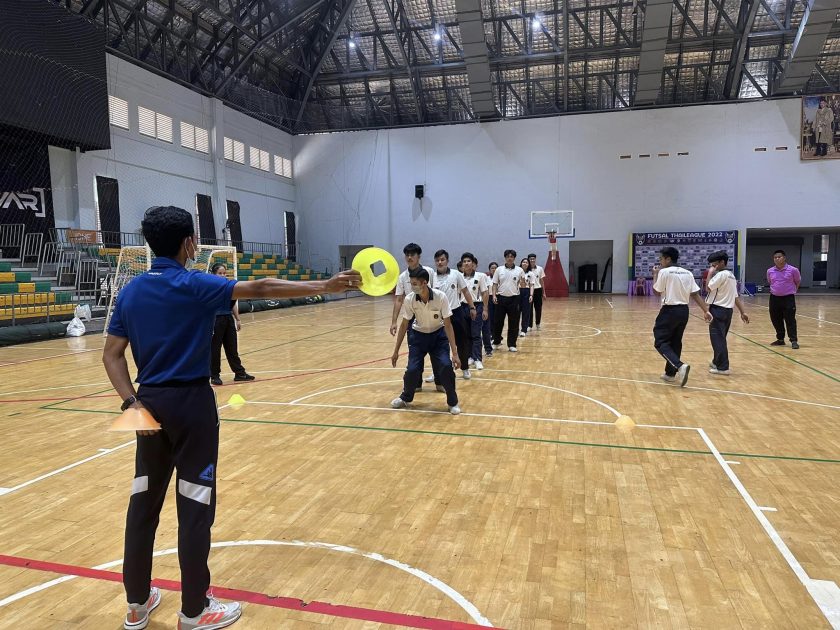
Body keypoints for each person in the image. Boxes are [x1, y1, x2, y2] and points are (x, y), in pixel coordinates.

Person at [102, 206, 360, 630]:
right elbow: (260, 286)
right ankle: (194, 610)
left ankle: (136, 603)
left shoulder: (130, 292)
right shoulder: (196, 283)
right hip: (192, 406)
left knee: (142, 501)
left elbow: (111, 355)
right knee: (194, 506)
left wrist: (131, 403)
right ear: (189, 243)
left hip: (147, 405)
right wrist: (325, 285)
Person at [390, 267, 461, 414]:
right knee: (412, 370)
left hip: (438, 337)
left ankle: (452, 402)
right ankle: (405, 397)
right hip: (418, 337)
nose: (412, 286)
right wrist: (395, 351)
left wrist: (455, 353)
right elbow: (404, 324)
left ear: (424, 283)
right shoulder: (409, 299)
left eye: (415, 283)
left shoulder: (441, 297)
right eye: (411, 283)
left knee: (446, 366)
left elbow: (448, 325)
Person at [651, 246, 712, 387]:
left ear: (668, 259)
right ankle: (670, 374)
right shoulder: (688, 273)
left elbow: (656, 292)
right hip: (684, 311)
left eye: (661, 259)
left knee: (660, 341)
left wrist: (655, 274)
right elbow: (695, 294)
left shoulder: (664, 272)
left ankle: (679, 366)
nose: (660, 262)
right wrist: (706, 310)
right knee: (675, 342)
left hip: (669, 311)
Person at [391, 243, 435, 389]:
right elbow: (399, 299)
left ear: (418, 256)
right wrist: (394, 321)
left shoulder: (429, 271)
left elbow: (436, 293)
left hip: (430, 315)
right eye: (407, 255)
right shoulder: (402, 277)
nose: (409, 257)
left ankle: (439, 378)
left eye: (412, 255)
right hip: (411, 317)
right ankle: (416, 382)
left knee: (435, 348)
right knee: (415, 350)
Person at [432, 249, 476, 379]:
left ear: (447, 261)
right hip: (439, 315)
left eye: (442, 259)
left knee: (462, 342)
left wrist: (472, 307)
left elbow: (466, 291)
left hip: (455, 312)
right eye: (437, 260)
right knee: (439, 344)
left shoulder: (456, 274)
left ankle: (465, 368)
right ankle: (438, 372)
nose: (440, 262)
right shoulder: (432, 277)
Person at [705, 251, 750, 375]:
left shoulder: (720, 275)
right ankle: (716, 361)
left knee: (717, 340)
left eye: (714, 264)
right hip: (728, 311)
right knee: (720, 338)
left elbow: (708, 288)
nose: (713, 267)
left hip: (717, 310)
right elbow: (735, 296)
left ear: (722, 262)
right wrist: (743, 312)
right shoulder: (731, 276)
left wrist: (709, 273)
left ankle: (723, 367)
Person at [209, 263, 254, 386]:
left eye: (224, 273)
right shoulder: (210, 288)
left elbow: (233, 304)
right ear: (213, 274)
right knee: (215, 349)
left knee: (232, 348)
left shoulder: (229, 287)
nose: (223, 275)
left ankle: (239, 373)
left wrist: (237, 319)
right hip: (215, 320)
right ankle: (214, 375)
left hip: (228, 319)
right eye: (220, 273)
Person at [460, 252, 489, 370]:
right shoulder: (459, 276)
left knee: (476, 334)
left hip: (477, 306)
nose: (466, 263)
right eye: (464, 261)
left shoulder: (480, 276)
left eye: (469, 261)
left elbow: (485, 293)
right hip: (462, 307)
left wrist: (485, 309)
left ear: (473, 263)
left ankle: (477, 359)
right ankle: (469, 356)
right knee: (466, 334)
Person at [492, 249, 525, 352]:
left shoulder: (519, 270)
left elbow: (523, 284)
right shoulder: (499, 270)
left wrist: (523, 282)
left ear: (514, 258)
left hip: (514, 299)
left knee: (514, 323)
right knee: (498, 322)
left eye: (511, 256)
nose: (509, 258)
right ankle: (496, 342)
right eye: (508, 256)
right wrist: (494, 295)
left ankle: (512, 344)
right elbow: (495, 284)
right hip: (501, 298)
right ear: (505, 258)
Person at [767, 249, 800, 349]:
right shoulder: (770, 271)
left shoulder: (793, 270)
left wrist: (792, 291)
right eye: (775, 257)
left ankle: (793, 340)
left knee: (790, 319)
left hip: (788, 298)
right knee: (775, 319)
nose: (777, 259)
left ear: (784, 258)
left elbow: (797, 281)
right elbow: (770, 282)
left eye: (779, 257)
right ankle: (780, 339)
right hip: (774, 298)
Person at [527, 253, 546, 330]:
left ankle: (538, 324)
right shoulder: (526, 269)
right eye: (530, 259)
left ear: (535, 259)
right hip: (528, 291)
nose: (532, 260)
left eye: (533, 259)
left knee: (538, 308)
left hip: (538, 290)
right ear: (528, 260)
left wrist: (544, 292)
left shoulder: (540, 269)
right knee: (529, 309)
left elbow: (542, 281)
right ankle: (529, 325)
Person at [484, 262, 498, 357]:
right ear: (489, 270)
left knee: (497, 319)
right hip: (488, 299)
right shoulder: (486, 278)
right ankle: (491, 336)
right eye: (492, 268)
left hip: (498, 298)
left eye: (495, 268)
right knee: (490, 318)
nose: (494, 269)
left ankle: (497, 336)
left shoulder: (499, 278)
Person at [518, 257, 534, 337]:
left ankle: (523, 330)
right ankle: (515, 329)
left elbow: (531, 285)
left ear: (528, 264)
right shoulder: (517, 272)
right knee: (516, 312)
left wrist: (531, 295)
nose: (525, 263)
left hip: (526, 292)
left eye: (526, 262)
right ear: (521, 263)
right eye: (523, 262)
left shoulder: (531, 274)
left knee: (526, 312)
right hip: (517, 292)